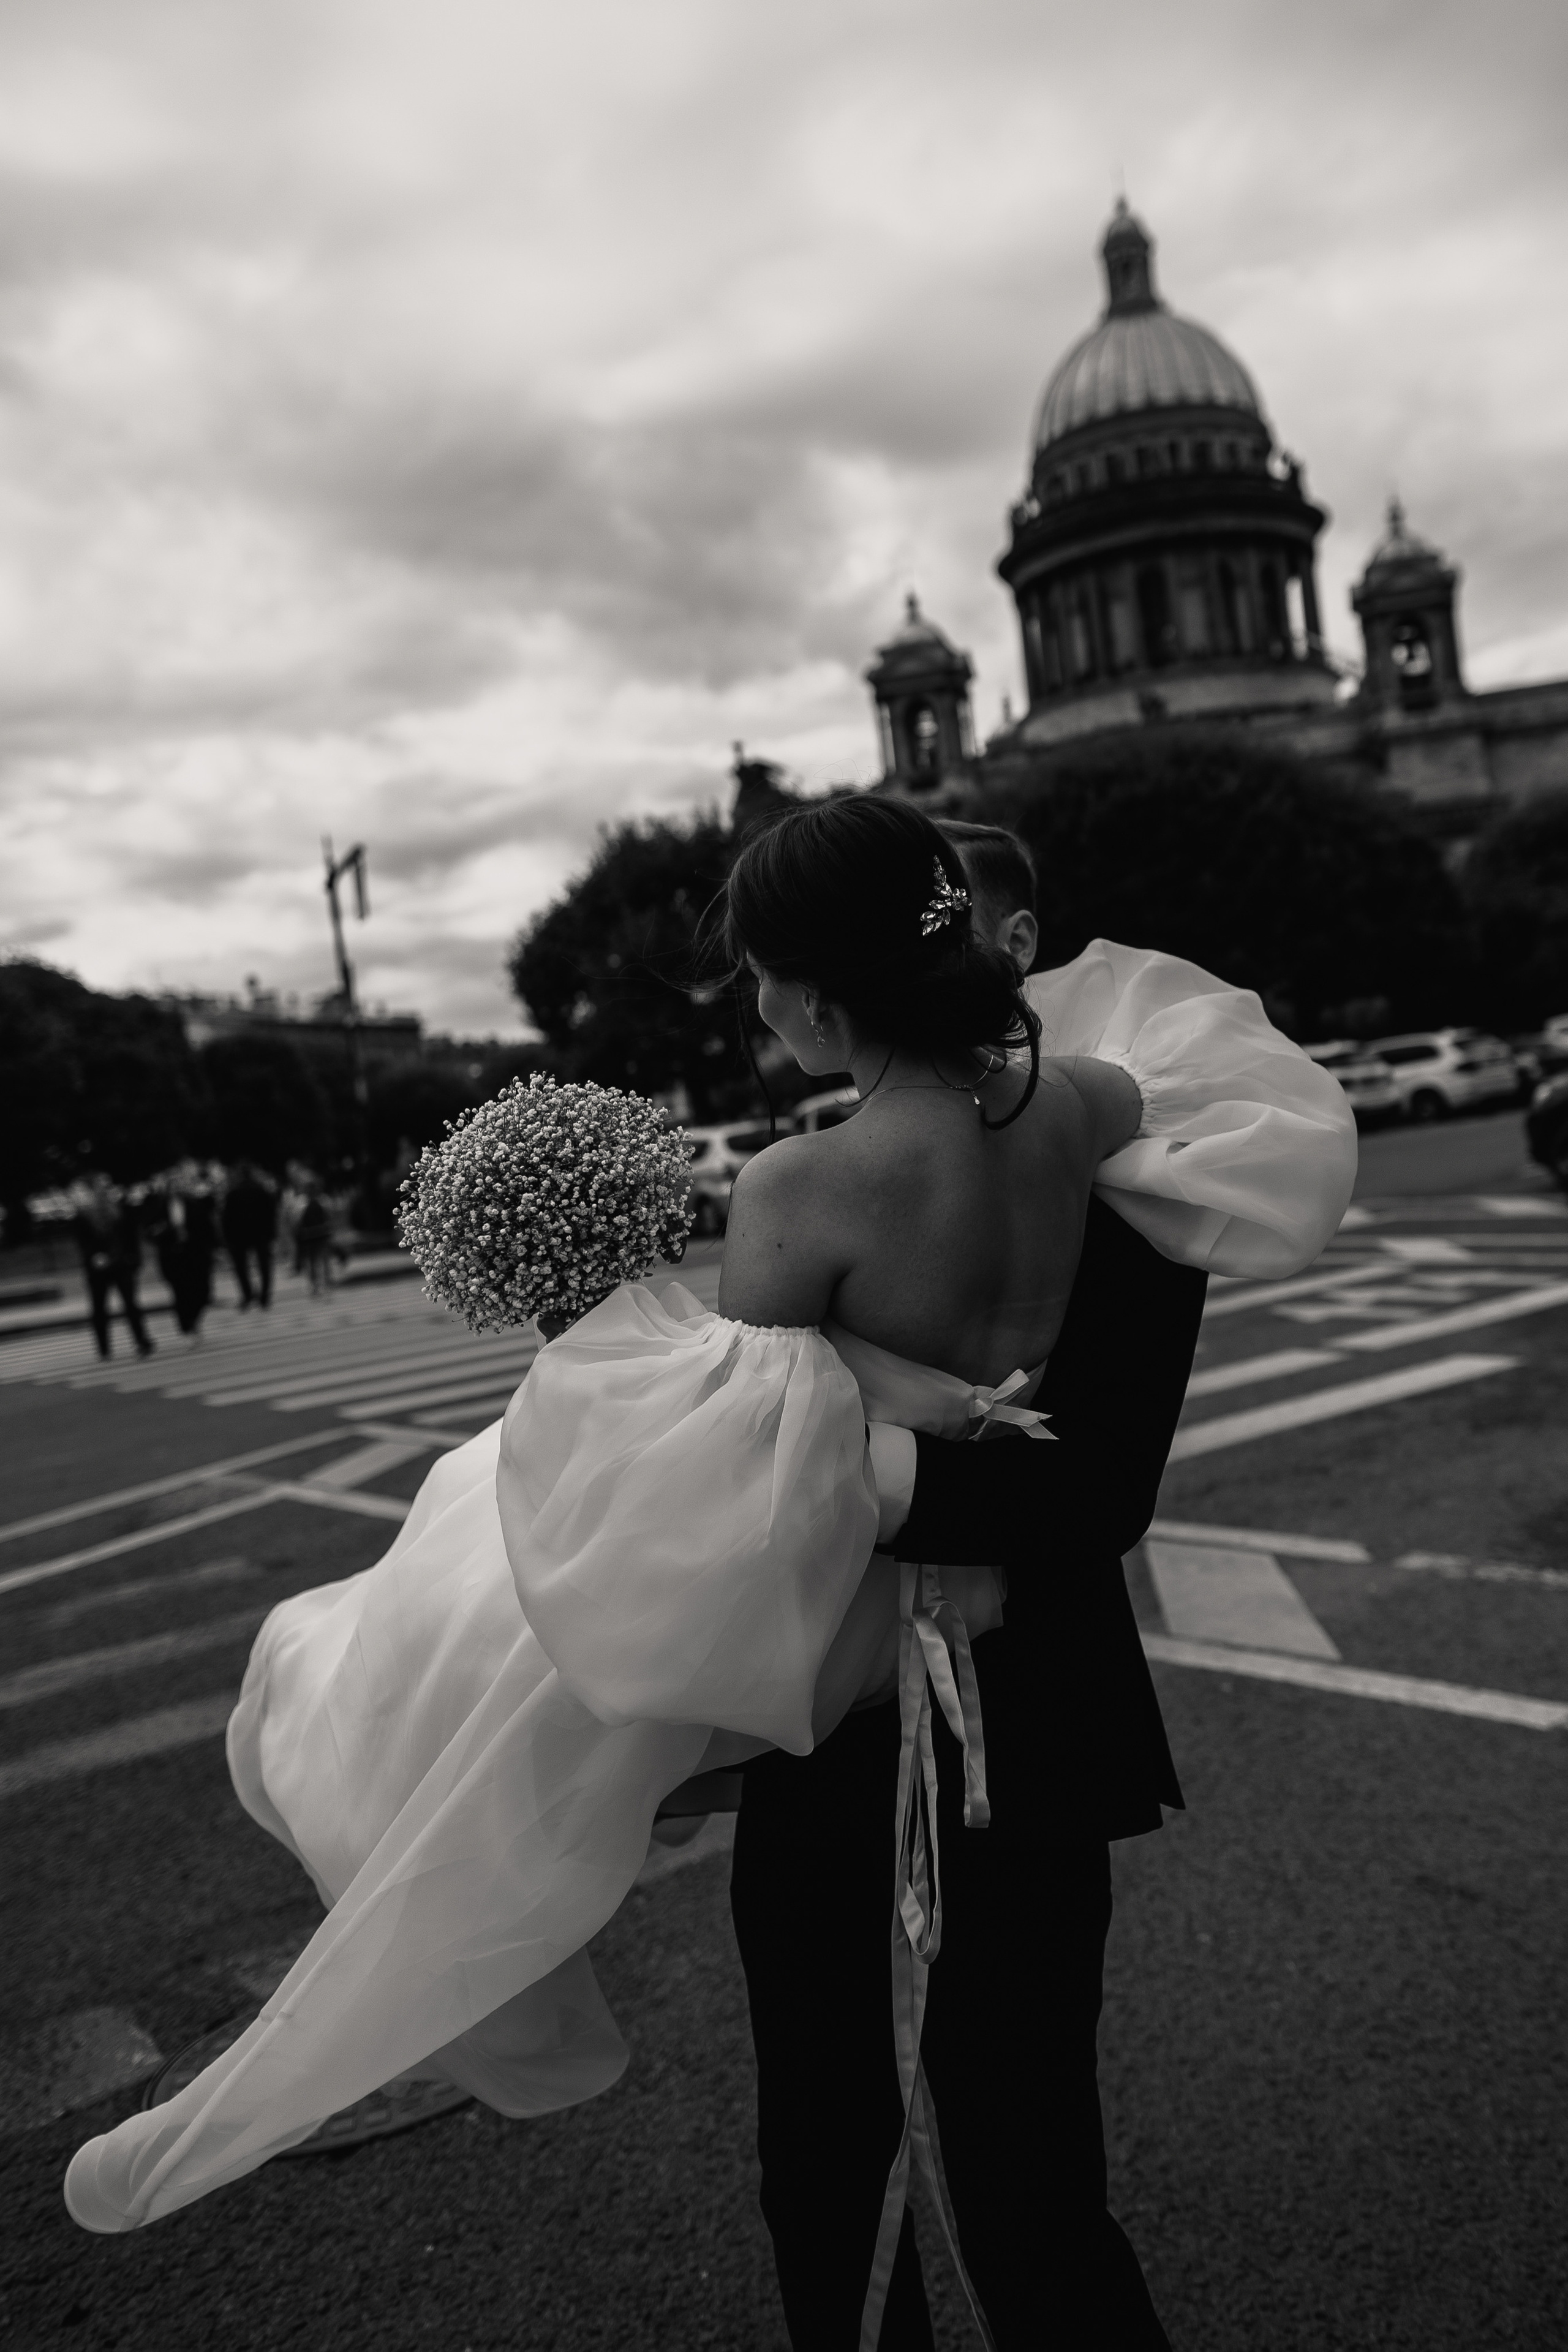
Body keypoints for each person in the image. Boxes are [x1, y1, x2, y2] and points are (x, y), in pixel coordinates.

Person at [65, 801, 1353, 2287]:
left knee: (823, 2157)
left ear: (815, 993)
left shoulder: (799, 1186)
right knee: (1038, 2173)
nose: (753, 1005)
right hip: (1038, 1721)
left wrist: (609, 1353)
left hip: (858, 1734)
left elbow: (747, 1464)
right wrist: (950, 1401)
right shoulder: (1084, 1104)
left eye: (756, 977)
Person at [71, 1175, 154, 1361]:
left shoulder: (120, 1210)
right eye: (99, 1187)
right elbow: (83, 1243)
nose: (104, 1191)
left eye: (106, 1187)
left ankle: (141, 1340)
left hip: (121, 1264)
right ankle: (104, 1347)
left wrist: (134, 1259)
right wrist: (94, 1256)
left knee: (131, 1304)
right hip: (98, 1267)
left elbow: (131, 1238)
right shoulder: (83, 1216)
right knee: (100, 1308)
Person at [221, 1162, 278, 1310]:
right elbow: (270, 1214)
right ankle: (264, 1296)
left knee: (242, 1267)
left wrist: (227, 1237)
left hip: (240, 1235)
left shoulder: (233, 1192)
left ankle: (248, 1294)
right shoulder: (261, 1190)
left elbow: (227, 1217)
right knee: (264, 1266)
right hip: (260, 1234)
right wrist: (272, 1234)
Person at [293, 1186, 333, 1295]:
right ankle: (326, 1281)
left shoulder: (301, 1203)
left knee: (312, 1261)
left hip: (309, 1235)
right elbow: (329, 1217)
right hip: (321, 1233)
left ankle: (315, 1285)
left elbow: (297, 1221)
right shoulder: (323, 1200)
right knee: (324, 1259)